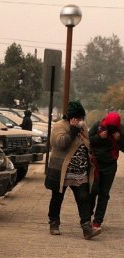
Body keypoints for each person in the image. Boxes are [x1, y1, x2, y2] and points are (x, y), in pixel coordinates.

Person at [44, 101, 101, 240]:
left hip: (79, 172)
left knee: (83, 198)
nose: (81, 121)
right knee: (57, 198)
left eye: (82, 118)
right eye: (79, 118)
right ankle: (54, 223)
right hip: (62, 171)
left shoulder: (84, 126)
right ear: (72, 118)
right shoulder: (59, 126)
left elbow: (87, 142)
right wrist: (73, 129)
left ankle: (87, 228)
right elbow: (61, 143)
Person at [89, 112, 124, 231]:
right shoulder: (98, 126)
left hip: (110, 166)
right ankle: (87, 218)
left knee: (104, 194)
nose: (110, 130)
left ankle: (97, 222)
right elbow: (87, 142)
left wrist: (119, 140)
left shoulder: (120, 130)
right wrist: (99, 137)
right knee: (92, 191)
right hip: (95, 164)